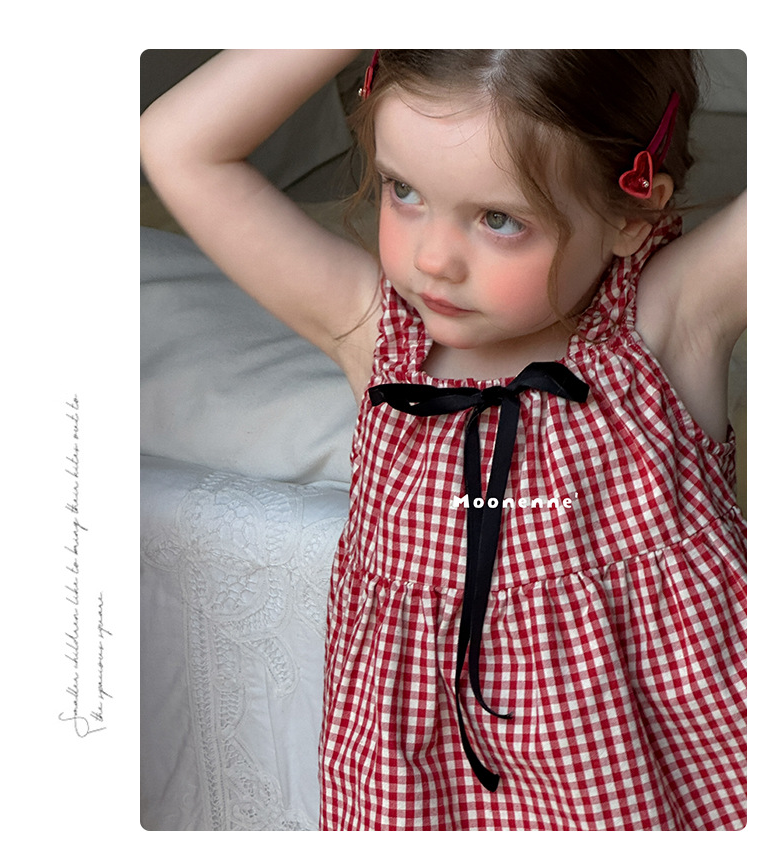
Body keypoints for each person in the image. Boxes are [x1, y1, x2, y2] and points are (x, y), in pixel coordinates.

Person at [140, 49, 746, 831]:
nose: (432, 259)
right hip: (425, 793)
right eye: (404, 192)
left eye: (499, 220)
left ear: (631, 217)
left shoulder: (668, 326)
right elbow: (176, 146)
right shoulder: (375, 336)